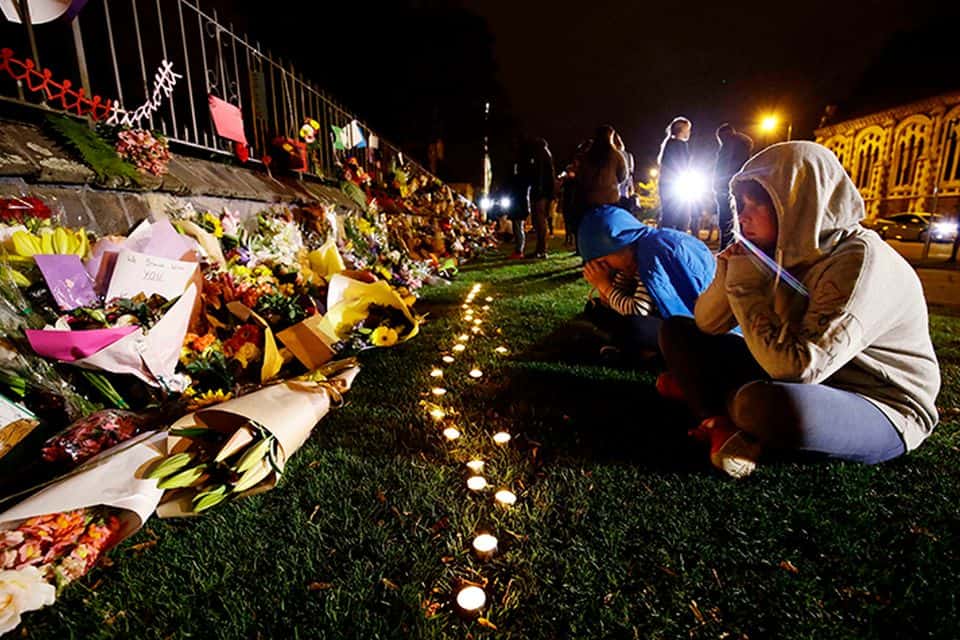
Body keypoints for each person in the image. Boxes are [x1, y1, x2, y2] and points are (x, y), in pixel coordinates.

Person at [657, 142, 940, 478]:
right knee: (678, 330)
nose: (743, 215)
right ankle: (721, 423)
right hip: (799, 377)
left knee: (760, 406)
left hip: (878, 402)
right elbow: (707, 324)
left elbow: (799, 368)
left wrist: (745, 288)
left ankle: (718, 402)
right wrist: (728, 272)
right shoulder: (773, 252)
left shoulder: (859, 260)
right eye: (740, 204)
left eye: (757, 204)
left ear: (799, 204)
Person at [578, 205, 716, 360]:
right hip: (657, 317)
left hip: (691, 327)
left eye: (603, 260)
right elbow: (615, 303)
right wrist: (606, 285)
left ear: (619, 245)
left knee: (633, 326)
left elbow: (638, 311)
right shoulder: (629, 259)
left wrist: (605, 286)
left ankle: (650, 352)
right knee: (595, 307)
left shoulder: (650, 256)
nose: (602, 266)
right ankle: (641, 347)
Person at [713, 124, 754, 250]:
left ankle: (725, 247)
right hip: (740, 185)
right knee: (739, 217)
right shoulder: (745, 146)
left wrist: (717, 184)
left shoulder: (728, 144)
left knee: (725, 218)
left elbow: (724, 165)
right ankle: (738, 246)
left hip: (725, 186)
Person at [578, 125, 627, 212]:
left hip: (590, 197)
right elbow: (622, 176)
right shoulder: (616, 155)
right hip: (610, 197)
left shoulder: (587, 155)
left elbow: (581, 176)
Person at [657, 117, 692, 231]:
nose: (689, 132)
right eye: (688, 129)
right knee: (683, 217)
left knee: (668, 215)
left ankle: (666, 242)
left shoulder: (668, 143)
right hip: (678, 185)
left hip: (667, 184)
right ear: (682, 130)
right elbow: (683, 165)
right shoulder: (680, 145)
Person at [526, 138, 556, 259]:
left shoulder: (541, 156)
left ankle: (541, 250)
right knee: (539, 222)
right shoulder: (546, 155)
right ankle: (540, 249)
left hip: (540, 194)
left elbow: (540, 176)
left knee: (539, 221)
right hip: (543, 193)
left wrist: (538, 191)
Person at [506, 162, 531, 259]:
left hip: (518, 207)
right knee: (517, 229)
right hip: (518, 207)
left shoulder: (520, 180)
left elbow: (517, 194)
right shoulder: (523, 180)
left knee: (518, 228)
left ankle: (519, 251)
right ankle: (518, 249)